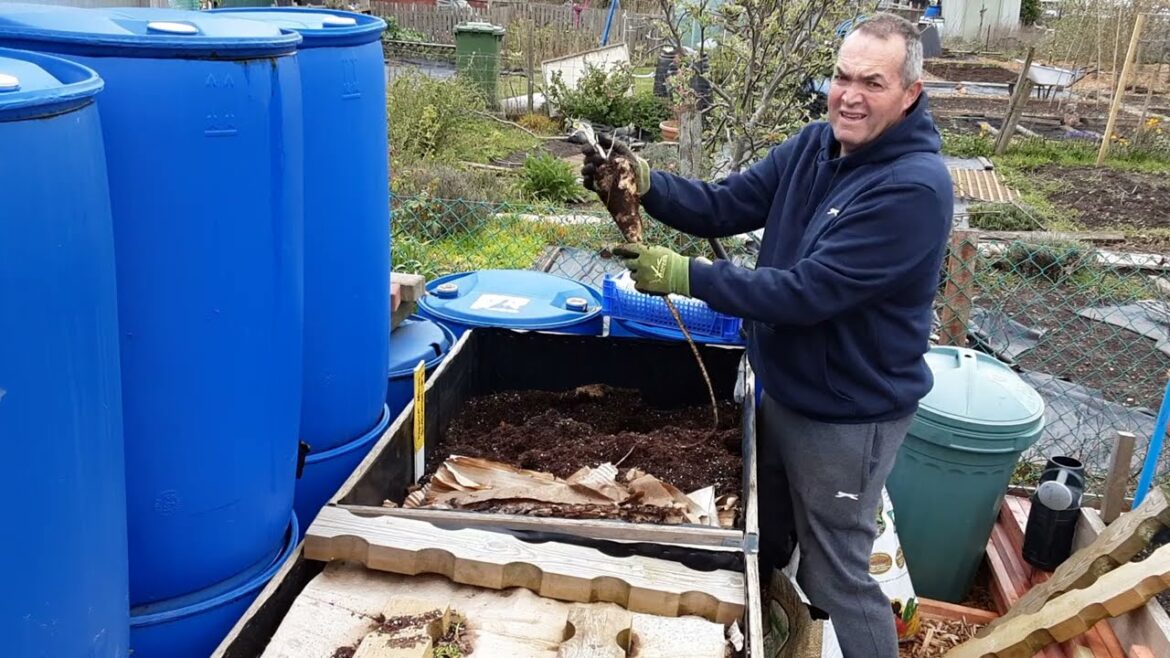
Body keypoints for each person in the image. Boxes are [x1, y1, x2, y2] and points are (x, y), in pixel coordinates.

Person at [581, 12, 953, 658]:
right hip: (781, 387)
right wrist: (647, 182)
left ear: (910, 94)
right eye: (841, 77)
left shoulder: (913, 189)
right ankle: (772, 641)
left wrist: (685, 274)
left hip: (847, 414)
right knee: (769, 539)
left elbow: (809, 292)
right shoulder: (816, 145)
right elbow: (725, 204)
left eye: (873, 82)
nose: (850, 95)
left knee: (835, 574)